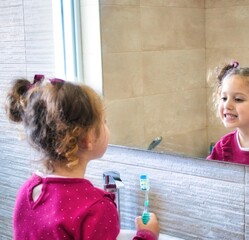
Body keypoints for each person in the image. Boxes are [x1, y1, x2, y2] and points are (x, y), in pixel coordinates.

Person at [5, 75, 160, 240]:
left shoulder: (27, 191)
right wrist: (147, 234)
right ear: (88, 139)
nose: (107, 126)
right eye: (104, 122)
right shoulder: (96, 209)